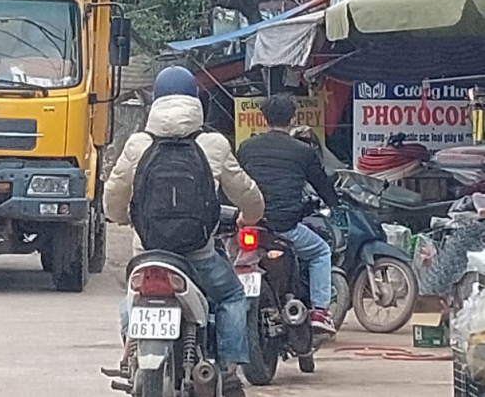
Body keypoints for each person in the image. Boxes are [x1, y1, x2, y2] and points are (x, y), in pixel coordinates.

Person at [104, 66, 265, 395]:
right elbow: (246, 193)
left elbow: (114, 195)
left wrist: (121, 217)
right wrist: (250, 217)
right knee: (234, 296)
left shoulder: (139, 144)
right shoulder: (213, 144)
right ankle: (230, 370)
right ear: (196, 100)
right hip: (199, 256)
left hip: (148, 254)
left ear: (155, 101)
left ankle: (131, 354)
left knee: (131, 300)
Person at [236, 93, 339, 335]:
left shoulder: (247, 148)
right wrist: (334, 203)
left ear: (263, 119)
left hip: (251, 224)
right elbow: (322, 185)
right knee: (321, 251)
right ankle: (320, 311)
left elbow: (237, 182)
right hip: (285, 227)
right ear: (293, 118)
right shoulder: (303, 151)